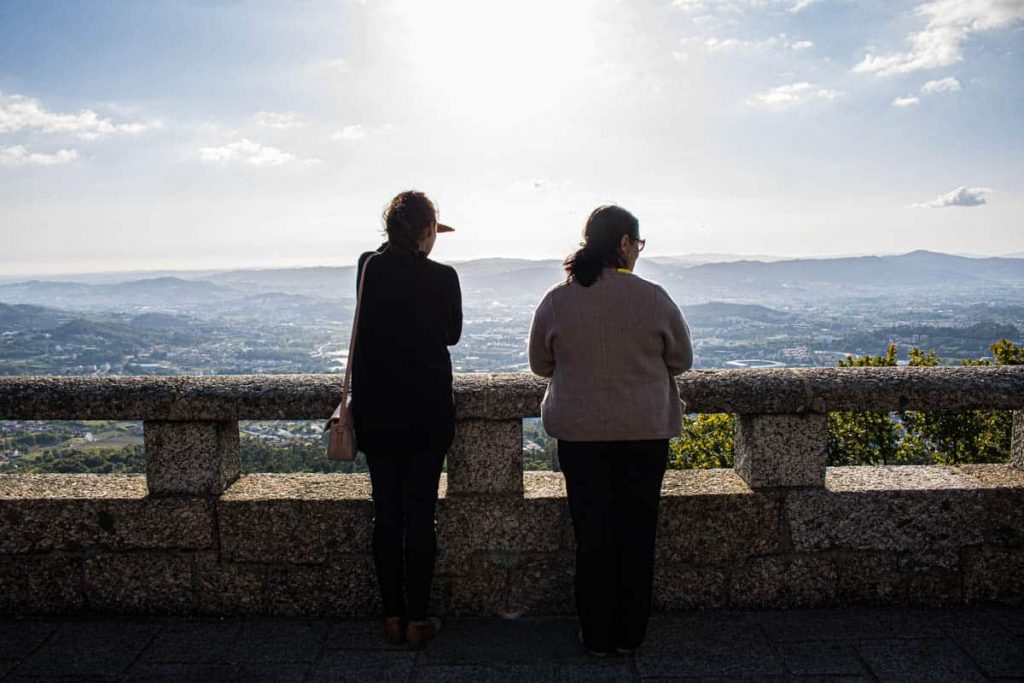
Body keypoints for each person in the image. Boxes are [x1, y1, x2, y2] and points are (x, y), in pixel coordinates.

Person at [527, 205, 692, 656]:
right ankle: (629, 634)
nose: (637, 253)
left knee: (592, 536)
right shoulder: (653, 297)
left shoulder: (558, 300)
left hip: (580, 437)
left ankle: (596, 632)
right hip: (645, 434)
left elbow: (540, 366)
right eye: (637, 245)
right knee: (637, 534)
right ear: (623, 243)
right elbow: (681, 360)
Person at [351, 190, 462, 649]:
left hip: (377, 411)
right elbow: (451, 335)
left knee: (386, 515)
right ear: (429, 231)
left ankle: (391, 616)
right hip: (427, 411)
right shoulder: (444, 277)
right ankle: (418, 616)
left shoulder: (368, 267)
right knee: (420, 515)